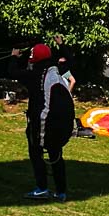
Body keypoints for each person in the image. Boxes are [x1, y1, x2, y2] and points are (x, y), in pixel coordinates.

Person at [10, 43, 74, 202]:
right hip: (58, 122)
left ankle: (42, 188)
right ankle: (61, 192)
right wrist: (61, 45)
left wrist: (14, 57)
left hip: (40, 122)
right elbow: (71, 60)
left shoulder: (34, 75)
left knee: (36, 153)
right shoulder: (56, 69)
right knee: (56, 155)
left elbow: (13, 72)